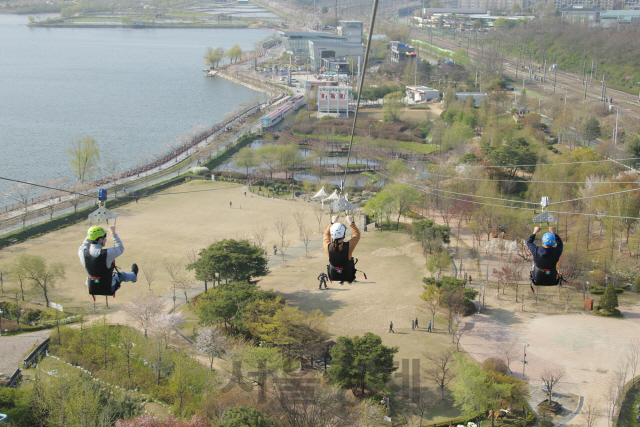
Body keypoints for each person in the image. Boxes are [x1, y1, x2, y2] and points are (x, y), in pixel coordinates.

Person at [78, 225, 138, 298]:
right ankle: (134, 276)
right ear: (100, 240)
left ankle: (133, 276)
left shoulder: (82, 252)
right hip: (109, 287)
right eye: (105, 238)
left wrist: (91, 233)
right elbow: (120, 248)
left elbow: (85, 244)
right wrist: (113, 233)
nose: (106, 239)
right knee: (121, 274)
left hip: (92, 286)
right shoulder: (106, 254)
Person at [324, 214, 360, 285]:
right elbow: (357, 235)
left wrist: (332, 222)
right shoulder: (349, 246)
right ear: (343, 234)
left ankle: (340, 281)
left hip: (334, 273)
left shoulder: (328, 246)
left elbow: (326, 235)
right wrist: (351, 223)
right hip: (347, 273)